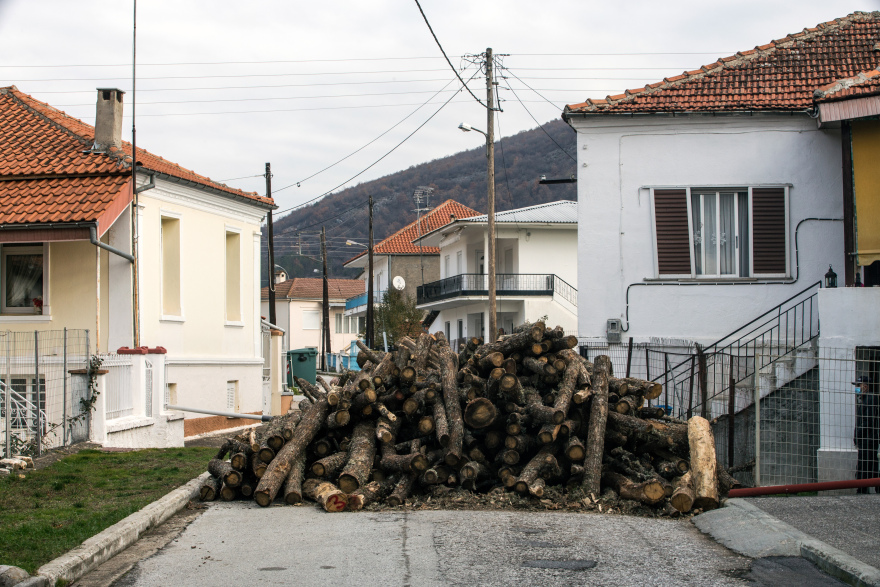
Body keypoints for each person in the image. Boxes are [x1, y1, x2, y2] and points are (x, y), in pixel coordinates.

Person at [854, 375, 880, 493]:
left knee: (865, 466)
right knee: (867, 465)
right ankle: (864, 489)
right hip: (865, 438)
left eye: (858, 385)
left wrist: (858, 434)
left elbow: (867, 421)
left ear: (865, 386)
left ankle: (863, 489)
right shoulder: (864, 399)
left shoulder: (870, 398)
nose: (857, 388)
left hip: (868, 439)